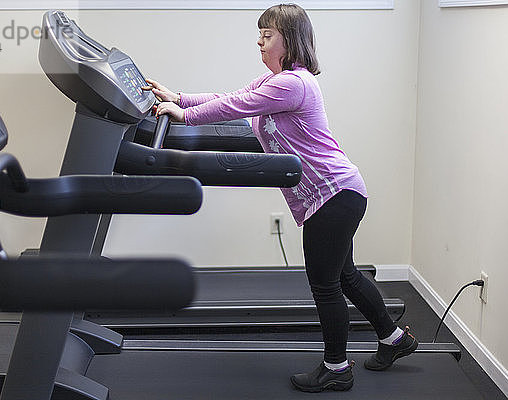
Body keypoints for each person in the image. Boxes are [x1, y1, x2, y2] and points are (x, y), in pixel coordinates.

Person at [144, 3, 417, 393]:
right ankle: (395, 340)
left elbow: (233, 107)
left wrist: (183, 116)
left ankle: (336, 368)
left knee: (326, 284)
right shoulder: (277, 80)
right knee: (345, 275)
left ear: (289, 40)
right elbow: (231, 95)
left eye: (267, 34)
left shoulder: (293, 84)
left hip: (334, 194)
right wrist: (180, 97)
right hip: (338, 193)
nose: (259, 41)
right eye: (260, 34)